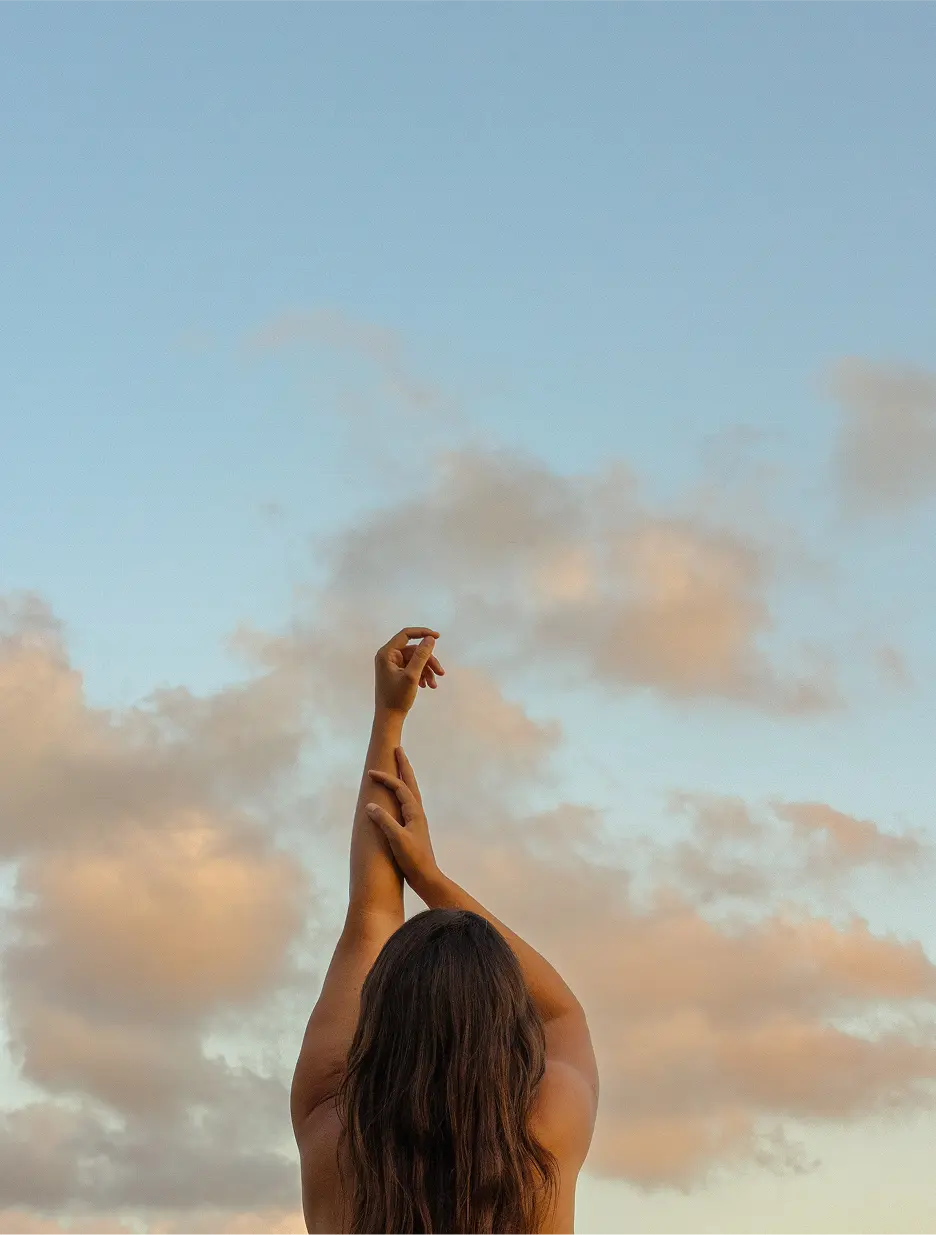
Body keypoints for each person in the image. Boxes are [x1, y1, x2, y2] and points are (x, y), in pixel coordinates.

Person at [290, 627, 599, 1235]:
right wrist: (432, 877)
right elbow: (563, 1015)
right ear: (507, 1024)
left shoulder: (333, 1143)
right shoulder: (546, 1141)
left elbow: (371, 914)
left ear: (377, 1015)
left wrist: (388, 718)